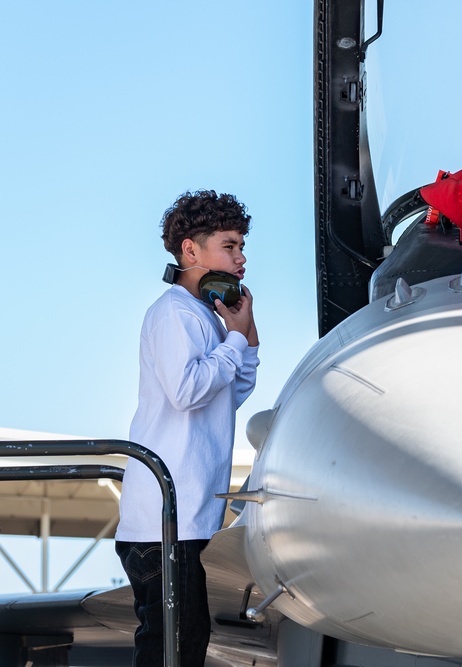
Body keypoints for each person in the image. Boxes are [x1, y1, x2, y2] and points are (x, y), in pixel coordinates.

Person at [115, 190, 260, 666]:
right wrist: (233, 340)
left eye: (242, 247)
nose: (241, 258)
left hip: (188, 519)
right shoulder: (174, 311)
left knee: (185, 646)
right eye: (230, 245)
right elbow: (187, 390)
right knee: (169, 650)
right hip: (163, 520)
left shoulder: (207, 317)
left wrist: (246, 338)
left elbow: (229, 396)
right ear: (190, 251)